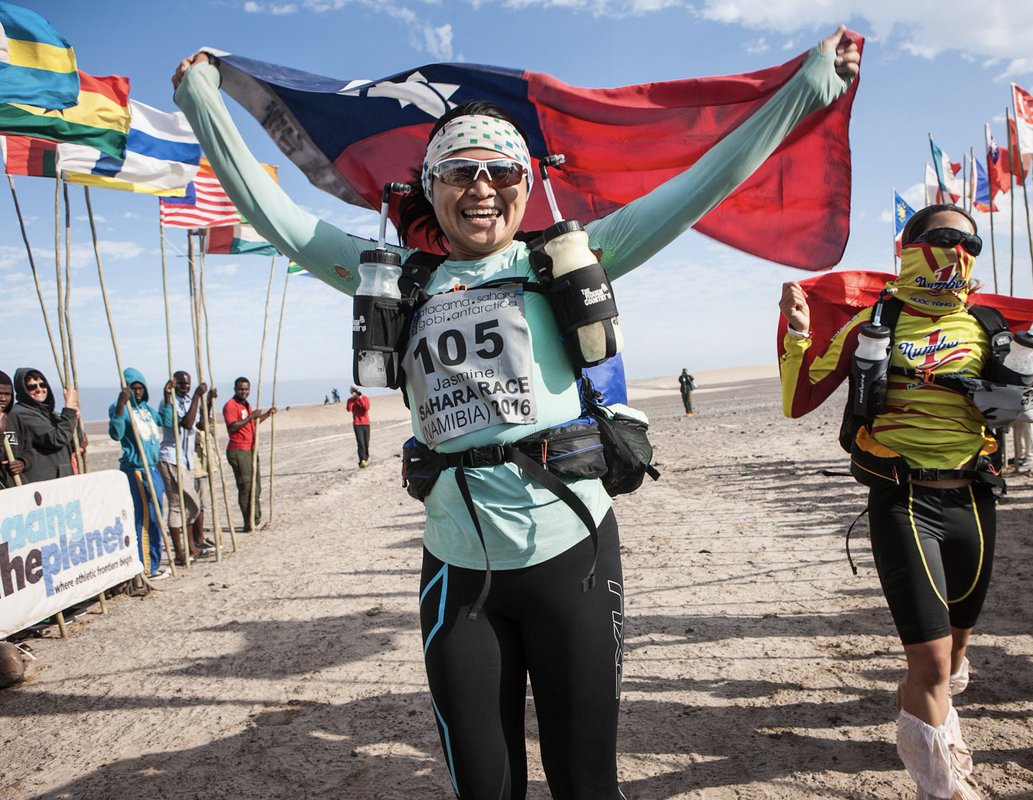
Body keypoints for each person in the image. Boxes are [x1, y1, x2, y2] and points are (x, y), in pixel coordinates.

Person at [175, 27, 859, 799]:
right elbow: (278, 219)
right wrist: (204, 103)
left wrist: (806, 89)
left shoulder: (562, 261)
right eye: (459, 172)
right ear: (428, 185)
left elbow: (700, 184)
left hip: (571, 550)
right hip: (457, 569)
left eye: (502, 171)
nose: (481, 188)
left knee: (585, 785)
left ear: (526, 185)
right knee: (484, 788)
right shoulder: (396, 279)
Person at [778, 204, 1033, 799]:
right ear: (907, 248)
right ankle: (943, 787)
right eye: (941, 237)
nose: (958, 249)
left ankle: (935, 712)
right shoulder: (872, 325)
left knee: (956, 651)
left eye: (970, 241)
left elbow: (1031, 398)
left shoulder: (986, 328)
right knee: (930, 664)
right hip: (903, 500)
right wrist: (800, 332)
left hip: (974, 500)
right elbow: (800, 398)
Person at [108, 368, 170, 580]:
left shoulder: (147, 410)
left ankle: (154, 561)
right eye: (133, 388)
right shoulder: (121, 409)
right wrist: (120, 405)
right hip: (136, 470)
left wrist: (168, 397)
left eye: (140, 387)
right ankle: (145, 568)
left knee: (156, 517)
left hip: (152, 468)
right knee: (143, 518)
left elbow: (167, 422)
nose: (138, 392)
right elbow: (116, 433)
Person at [160, 370, 215, 564]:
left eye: (188, 384)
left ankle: (190, 548)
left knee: (187, 506)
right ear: (174, 384)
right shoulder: (170, 402)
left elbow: (199, 425)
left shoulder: (188, 400)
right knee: (184, 506)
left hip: (184, 460)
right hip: (171, 458)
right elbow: (186, 423)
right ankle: (181, 552)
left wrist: (205, 401)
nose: (185, 387)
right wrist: (198, 397)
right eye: (181, 384)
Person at [5, 368, 78, 484]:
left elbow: (72, 442)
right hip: (45, 482)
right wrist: (69, 408)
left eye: (42, 384)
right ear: (23, 390)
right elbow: (56, 439)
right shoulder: (21, 413)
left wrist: (75, 421)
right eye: (32, 387)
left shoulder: (50, 414)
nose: (39, 389)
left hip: (62, 479)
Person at [222, 377, 275, 532]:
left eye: (246, 389)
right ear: (235, 389)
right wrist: (251, 417)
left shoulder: (246, 405)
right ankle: (250, 522)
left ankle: (256, 518)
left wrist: (267, 414)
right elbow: (233, 427)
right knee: (246, 487)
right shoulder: (230, 406)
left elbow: (252, 424)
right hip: (239, 450)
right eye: (240, 389)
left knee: (255, 487)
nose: (243, 392)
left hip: (250, 449)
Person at [0, 371, 26, 488]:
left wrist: (23, 462)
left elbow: (29, 449)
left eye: (7, 394)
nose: (3, 398)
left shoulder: (14, 417)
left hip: (16, 486)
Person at [346, 387, 371, 467]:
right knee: (361, 443)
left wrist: (359, 399)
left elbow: (366, 407)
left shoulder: (365, 398)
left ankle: (366, 459)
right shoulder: (350, 400)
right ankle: (362, 460)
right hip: (357, 424)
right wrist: (353, 400)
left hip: (366, 423)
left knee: (366, 443)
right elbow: (349, 409)